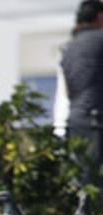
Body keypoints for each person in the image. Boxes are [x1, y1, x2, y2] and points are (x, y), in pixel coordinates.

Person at [62, 0, 103, 185]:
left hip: (76, 119)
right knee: (95, 184)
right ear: (100, 17)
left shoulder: (69, 46)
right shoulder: (100, 40)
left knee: (82, 182)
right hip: (96, 121)